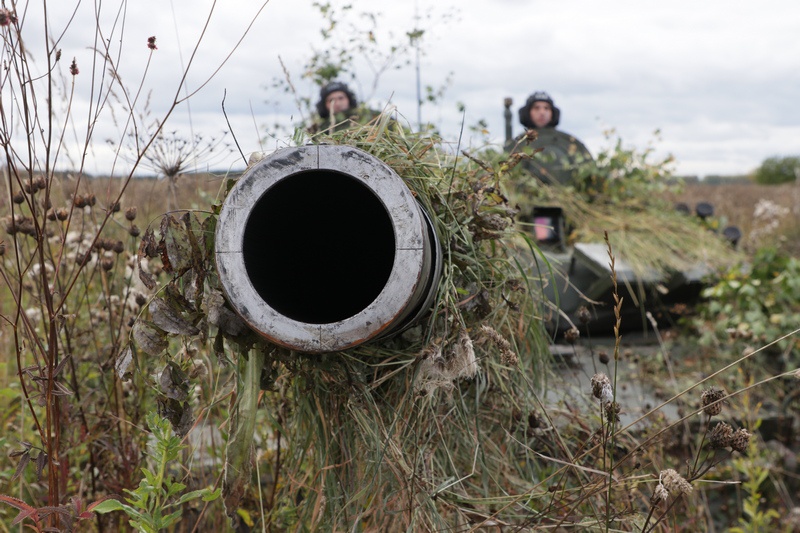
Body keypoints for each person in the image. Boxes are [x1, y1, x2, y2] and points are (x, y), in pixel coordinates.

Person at [509, 90, 592, 185]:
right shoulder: (519, 143)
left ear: (553, 113)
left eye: (546, 108)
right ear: (528, 112)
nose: (542, 112)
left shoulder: (567, 141)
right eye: (536, 108)